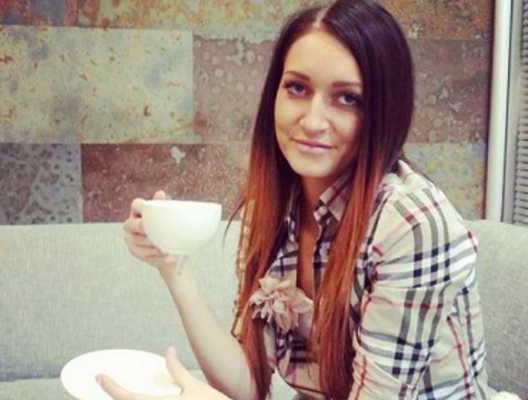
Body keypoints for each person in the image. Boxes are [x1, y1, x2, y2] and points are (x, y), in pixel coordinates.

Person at [98, 0, 489, 399]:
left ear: (384, 112)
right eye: (297, 88)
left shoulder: (412, 225)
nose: (312, 121)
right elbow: (248, 384)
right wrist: (173, 267)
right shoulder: (274, 211)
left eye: (348, 98)